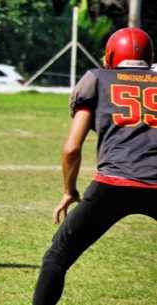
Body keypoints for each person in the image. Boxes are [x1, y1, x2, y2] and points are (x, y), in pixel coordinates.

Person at [32, 27, 157, 305]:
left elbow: (72, 148)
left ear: (111, 56)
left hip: (113, 182)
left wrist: (69, 190)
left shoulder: (97, 79)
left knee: (58, 256)